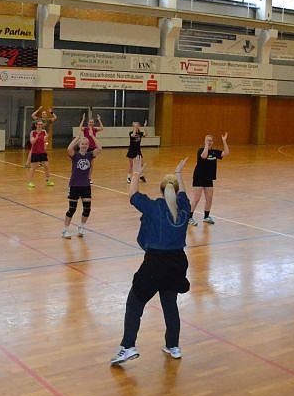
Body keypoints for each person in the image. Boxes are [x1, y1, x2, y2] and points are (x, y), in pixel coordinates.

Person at [111, 155, 191, 366]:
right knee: (170, 304)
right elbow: (183, 194)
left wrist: (136, 173)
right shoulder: (184, 209)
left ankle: (128, 347)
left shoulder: (155, 207)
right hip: (177, 262)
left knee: (134, 303)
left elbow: (133, 196)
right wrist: (179, 173)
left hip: (155, 262)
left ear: (161, 191)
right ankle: (173, 346)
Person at [61, 130, 101, 239]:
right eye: (82, 144)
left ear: (88, 146)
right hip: (74, 185)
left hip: (86, 186)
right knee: (72, 209)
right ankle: (65, 230)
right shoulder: (75, 155)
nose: (84, 146)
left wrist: (92, 136)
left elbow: (100, 148)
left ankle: (81, 227)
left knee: (87, 209)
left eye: (86, 144)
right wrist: (77, 138)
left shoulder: (90, 155)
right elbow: (69, 148)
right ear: (79, 145)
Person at [188, 132, 229, 226]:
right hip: (199, 177)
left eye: (211, 141)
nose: (209, 142)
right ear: (205, 141)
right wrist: (206, 146)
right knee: (196, 198)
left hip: (209, 178)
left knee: (209, 198)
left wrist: (224, 141)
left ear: (213, 142)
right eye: (208, 140)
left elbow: (226, 153)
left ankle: (206, 216)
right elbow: (204, 156)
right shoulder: (201, 150)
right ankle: (189, 217)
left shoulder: (215, 152)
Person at [27, 120, 55, 188]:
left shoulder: (44, 131)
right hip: (35, 152)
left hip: (42, 152)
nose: (40, 126)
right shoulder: (32, 132)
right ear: (36, 125)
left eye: (41, 124)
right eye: (39, 124)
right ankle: (30, 182)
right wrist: (36, 138)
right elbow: (32, 142)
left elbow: (46, 141)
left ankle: (48, 180)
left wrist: (45, 142)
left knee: (46, 166)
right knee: (33, 168)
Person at [80, 113, 103, 183]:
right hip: (85, 148)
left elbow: (102, 128)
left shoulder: (94, 129)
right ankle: (82, 176)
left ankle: (89, 178)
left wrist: (99, 120)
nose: (91, 123)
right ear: (88, 123)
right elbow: (80, 128)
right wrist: (83, 119)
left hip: (92, 148)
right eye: (90, 122)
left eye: (92, 122)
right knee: (84, 163)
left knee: (91, 164)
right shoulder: (85, 129)